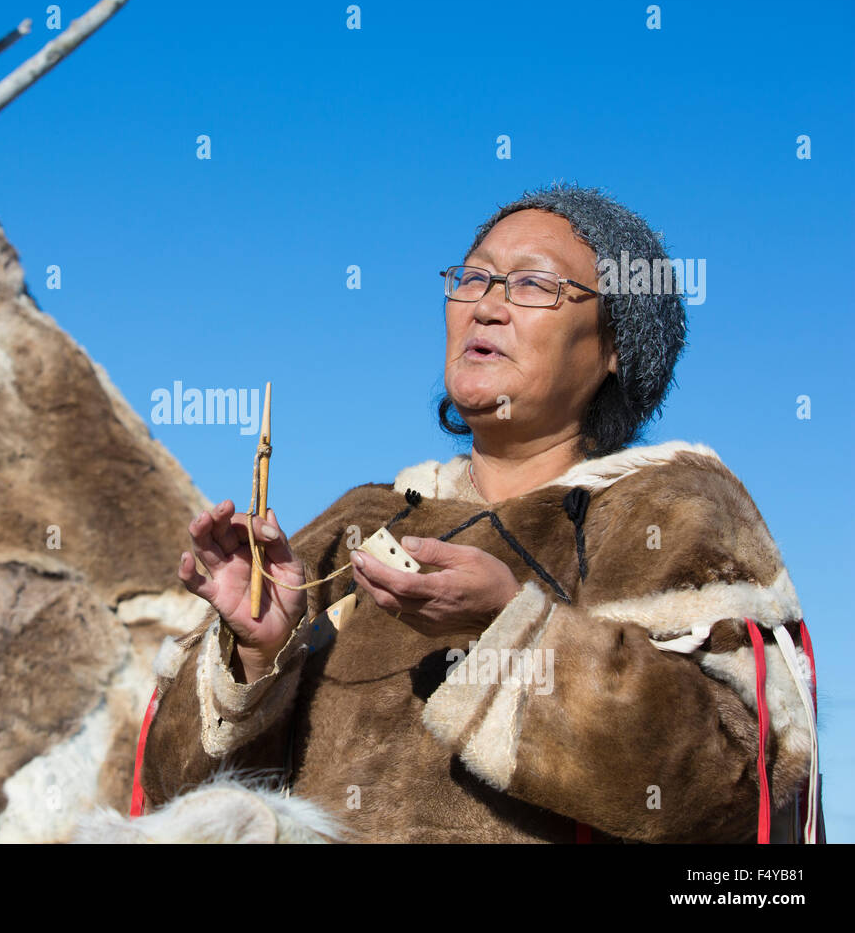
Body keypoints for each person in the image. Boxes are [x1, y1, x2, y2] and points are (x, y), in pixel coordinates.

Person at [128, 183, 820, 844]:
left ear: (614, 347)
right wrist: (257, 651)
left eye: (533, 284)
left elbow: (736, 782)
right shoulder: (358, 526)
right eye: (474, 278)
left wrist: (506, 626)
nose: (486, 306)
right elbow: (171, 798)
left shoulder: (672, 508)